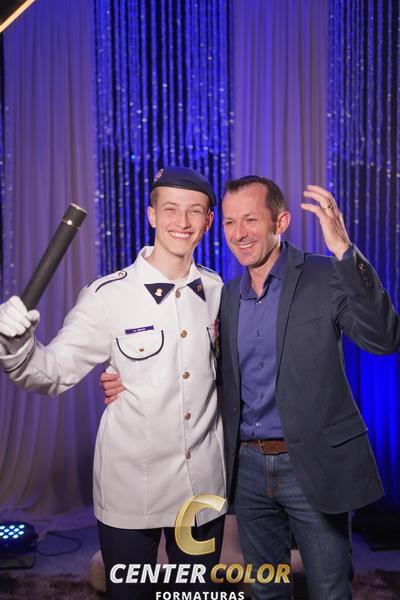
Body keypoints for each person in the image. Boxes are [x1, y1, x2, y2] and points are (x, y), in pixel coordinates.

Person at [102, 176, 400, 600]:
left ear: (281, 221)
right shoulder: (225, 296)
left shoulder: (323, 275)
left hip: (311, 463)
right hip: (248, 470)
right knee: (266, 590)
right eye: (229, 222)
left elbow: (384, 338)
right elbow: (200, 369)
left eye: (250, 220)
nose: (238, 233)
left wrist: (345, 253)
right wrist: (125, 379)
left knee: (330, 589)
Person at [0, 166, 226, 600]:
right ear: (152, 215)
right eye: (170, 209)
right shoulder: (107, 296)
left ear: (208, 220)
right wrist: (16, 345)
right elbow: (52, 373)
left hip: (202, 488)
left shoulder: (217, 291)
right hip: (131, 489)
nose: (182, 222)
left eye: (194, 211)